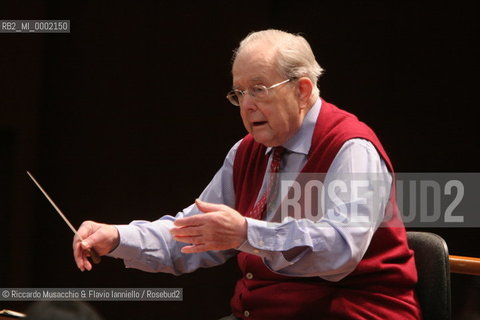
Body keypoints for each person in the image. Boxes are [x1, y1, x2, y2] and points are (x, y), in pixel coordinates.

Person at [73, 29, 422, 319]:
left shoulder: (350, 148)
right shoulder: (246, 153)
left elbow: (340, 252)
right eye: (239, 93)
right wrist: (118, 237)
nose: (247, 105)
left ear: (301, 90)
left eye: (259, 90)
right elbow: (191, 234)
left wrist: (244, 232)